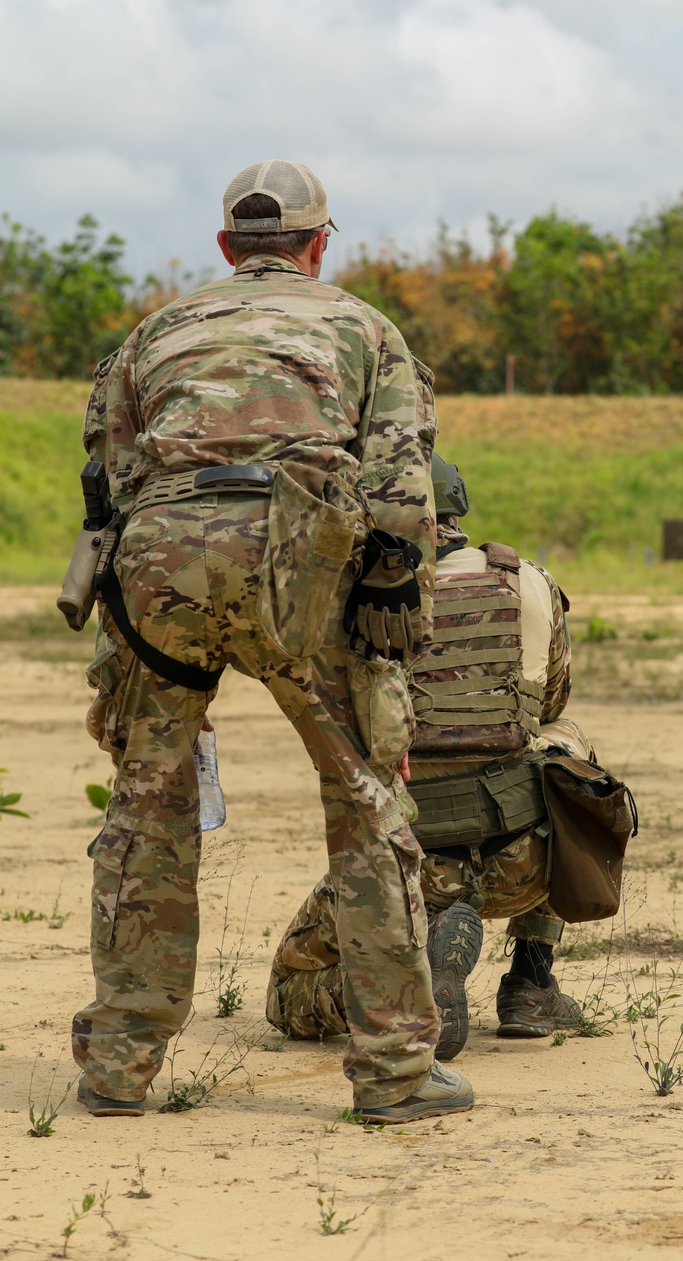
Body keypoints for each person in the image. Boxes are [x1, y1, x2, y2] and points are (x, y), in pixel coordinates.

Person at [71, 159, 473, 1125]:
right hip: (300, 557)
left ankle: (120, 1064)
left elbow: (109, 471)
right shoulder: (364, 326)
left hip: (161, 564)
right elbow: (403, 480)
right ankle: (395, 1072)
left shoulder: (156, 331)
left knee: (146, 805)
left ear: (225, 248)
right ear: (319, 244)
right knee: (368, 804)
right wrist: (389, 581)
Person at [267, 454, 599, 1057]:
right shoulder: (529, 581)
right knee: (566, 752)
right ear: (457, 509)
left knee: (289, 997)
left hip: (406, 867)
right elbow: (551, 700)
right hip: (522, 862)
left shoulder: (341, 598)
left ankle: (410, 989)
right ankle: (530, 980)